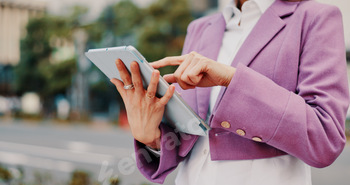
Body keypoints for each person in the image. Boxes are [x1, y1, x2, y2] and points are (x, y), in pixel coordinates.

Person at [110, 0, 349, 184]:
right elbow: (191, 138)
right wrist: (150, 137)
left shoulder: (315, 17)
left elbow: (325, 138)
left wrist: (231, 79)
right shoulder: (200, 28)